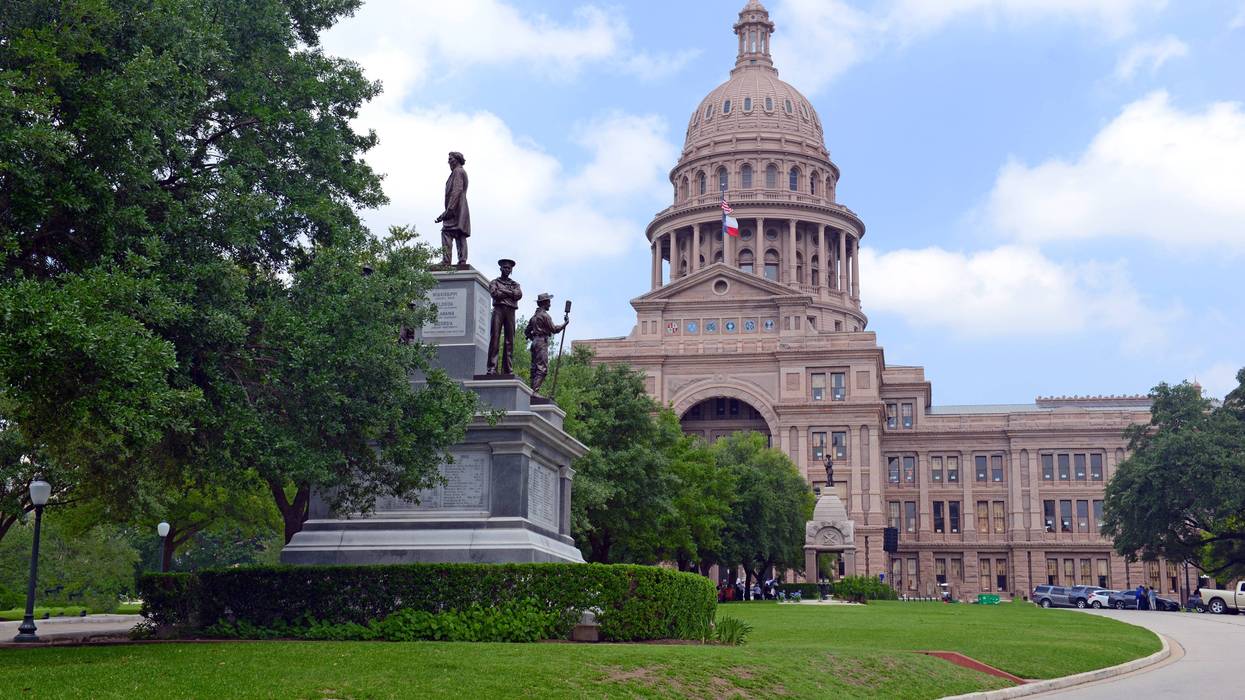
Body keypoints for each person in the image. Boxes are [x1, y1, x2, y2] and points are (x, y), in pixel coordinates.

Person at [524, 293, 568, 393]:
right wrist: (565, 323)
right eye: (549, 302)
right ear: (544, 303)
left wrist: (534, 339)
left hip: (534, 343)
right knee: (542, 369)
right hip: (541, 343)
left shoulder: (533, 317)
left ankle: (532, 392)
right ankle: (534, 392)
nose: (550, 304)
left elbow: (526, 332)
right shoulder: (545, 316)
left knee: (534, 369)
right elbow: (554, 329)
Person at [434, 151, 471, 266]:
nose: (449, 161)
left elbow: (456, 191)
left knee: (447, 232)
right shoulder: (459, 172)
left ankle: (446, 261)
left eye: (451, 159)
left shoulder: (458, 172)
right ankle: (462, 260)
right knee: (460, 234)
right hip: (460, 207)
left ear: (457, 160)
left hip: (456, 209)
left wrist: (449, 211)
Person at [486, 259, 522, 375]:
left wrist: (504, 291)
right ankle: (492, 368)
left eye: (509, 268)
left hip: (510, 312)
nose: (507, 270)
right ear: (500, 268)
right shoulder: (494, 282)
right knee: (495, 338)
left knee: (509, 340)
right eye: (505, 267)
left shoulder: (515, 284)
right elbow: (495, 294)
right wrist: (510, 293)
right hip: (498, 310)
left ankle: (507, 369)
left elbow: (518, 295)